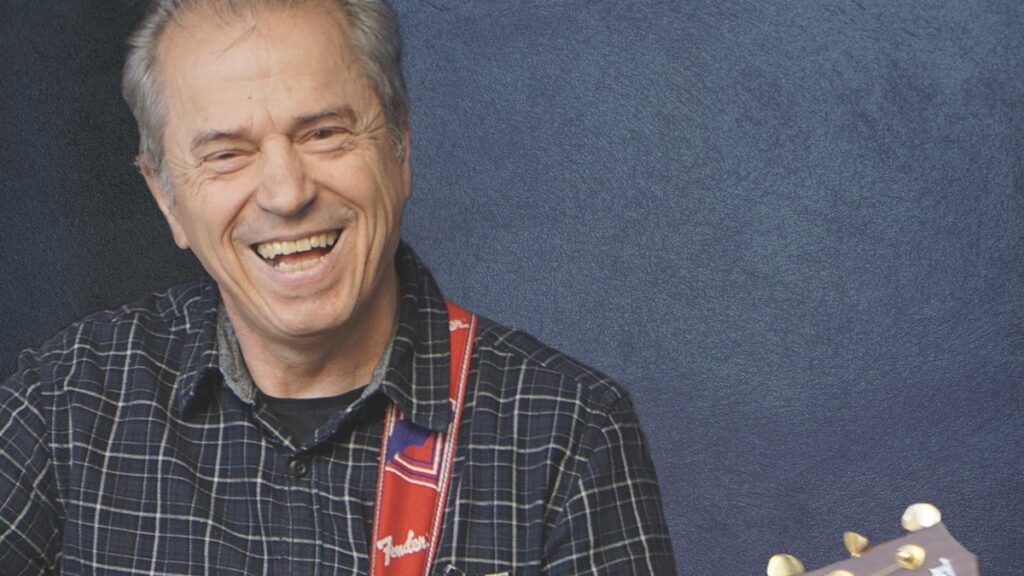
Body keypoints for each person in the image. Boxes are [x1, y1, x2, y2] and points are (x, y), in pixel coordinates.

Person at [0, 0, 676, 573]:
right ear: (166, 198)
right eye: (227, 154)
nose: (286, 193)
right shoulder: (65, 401)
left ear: (400, 146)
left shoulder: (569, 433)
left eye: (324, 133)